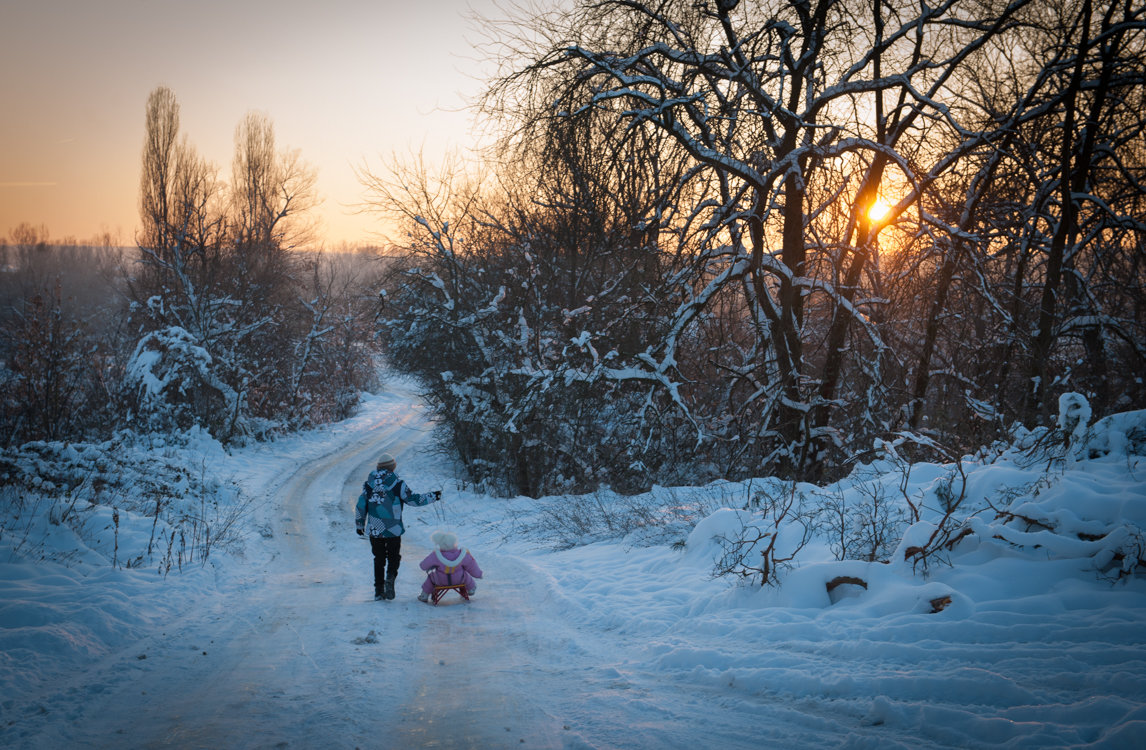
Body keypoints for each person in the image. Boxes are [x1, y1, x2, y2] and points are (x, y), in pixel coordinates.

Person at [355, 452, 440, 601]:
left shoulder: (368, 485)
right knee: (394, 557)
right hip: (393, 528)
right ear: (393, 467)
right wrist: (434, 496)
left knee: (378, 559)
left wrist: (359, 524)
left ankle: (378, 591)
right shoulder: (398, 484)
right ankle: (390, 577)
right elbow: (414, 500)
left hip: (375, 529)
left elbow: (361, 505)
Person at [417, 530, 483, 603]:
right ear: (454, 543)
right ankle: (471, 589)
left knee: (431, 577)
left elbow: (423, 566)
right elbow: (472, 566)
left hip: (440, 581)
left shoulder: (436, 555)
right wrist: (479, 575)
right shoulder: (462, 554)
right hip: (459, 580)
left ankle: (424, 595)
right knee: (465, 574)